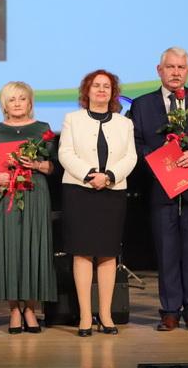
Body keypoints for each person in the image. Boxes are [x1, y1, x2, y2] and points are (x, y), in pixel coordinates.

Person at [130, 47, 188, 332]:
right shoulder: (142, 104)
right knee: (166, 252)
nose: (175, 72)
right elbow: (135, 142)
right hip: (161, 188)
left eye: (181, 67)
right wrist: (159, 159)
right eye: (170, 67)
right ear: (159, 70)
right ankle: (169, 311)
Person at [58, 69, 137, 337]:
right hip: (79, 191)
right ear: (87, 91)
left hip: (112, 192)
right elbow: (65, 153)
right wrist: (90, 175)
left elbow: (131, 157)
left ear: (113, 93)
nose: (101, 90)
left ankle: (105, 314)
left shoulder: (124, 123)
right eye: (96, 85)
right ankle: (84, 316)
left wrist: (110, 176)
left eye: (106, 86)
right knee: (82, 253)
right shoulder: (72, 119)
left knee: (107, 253)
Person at [0, 82, 57, 334]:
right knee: (9, 249)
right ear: (4, 104)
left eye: (22, 98)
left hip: (35, 194)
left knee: (34, 248)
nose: (17, 103)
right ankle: (14, 309)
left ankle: (31, 309)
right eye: (11, 99)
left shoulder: (42, 129)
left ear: (30, 102)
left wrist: (36, 165)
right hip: (4, 195)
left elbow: (53, 166)